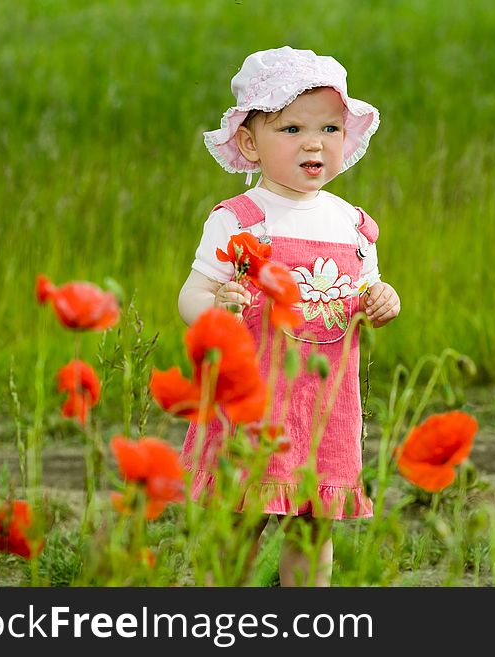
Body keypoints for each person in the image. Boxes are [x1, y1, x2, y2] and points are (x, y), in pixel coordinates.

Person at [177, 47, 401, 586]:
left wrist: (384, 299)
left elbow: (365, 291)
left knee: (313, 529)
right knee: (239, 523)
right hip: (256, 401)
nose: (313, 142)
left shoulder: (351, 223)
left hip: (327, 406)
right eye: (292, 127)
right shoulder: (241, 220)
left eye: (329, 127)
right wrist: (216, 306)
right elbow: (191, 296)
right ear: (250, 143)